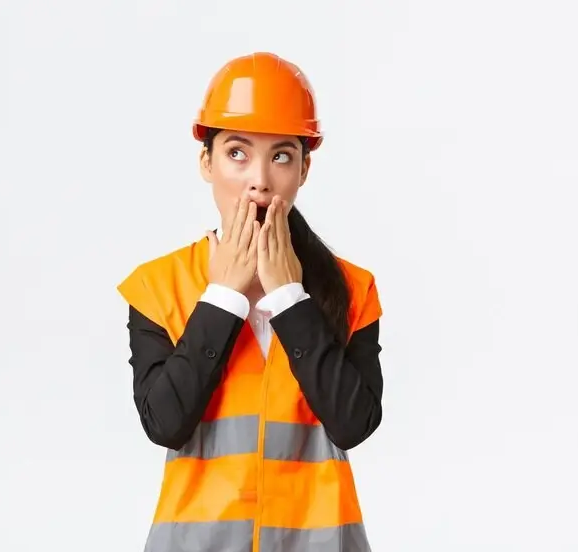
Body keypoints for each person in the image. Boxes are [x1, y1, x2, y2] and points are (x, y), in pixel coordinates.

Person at [117, 51, 384, 552]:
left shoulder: (353, 289)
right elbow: (165, 424)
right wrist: (222, 298)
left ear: (304, 169)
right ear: (206, 161)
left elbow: (353, 424)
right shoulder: (159, 286)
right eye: (237, 152)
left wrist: (288, 297)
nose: (259, 179)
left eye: (281, 155)